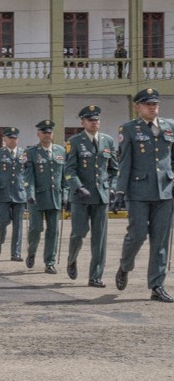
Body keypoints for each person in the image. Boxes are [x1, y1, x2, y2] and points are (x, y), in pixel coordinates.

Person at [113, 88, 174, 302]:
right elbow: (125, 162)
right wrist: (120, 191)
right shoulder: (129, 129)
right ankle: (124, 266)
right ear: (137, 106)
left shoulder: (170, 127)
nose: (152, 107)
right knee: (137, 235)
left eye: (155, 103)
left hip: (165, 192)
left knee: (161, 242)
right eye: (147, 103)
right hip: (138, 192)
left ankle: (156, 285)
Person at [64, 105, 118, 287]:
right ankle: (72, 259)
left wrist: (111, 187)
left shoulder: (108, 141)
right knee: (79, 233)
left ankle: (95, 276)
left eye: (96, 119)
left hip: (101, 197)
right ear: (83, 122)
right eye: (90, 120)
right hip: (81, 197)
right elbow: (69, 170)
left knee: (99, 238)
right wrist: (78, 187)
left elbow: (114, 169)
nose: (94, 123)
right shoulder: (74, 141)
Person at [23, 120, 68, 274]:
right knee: (36, 229)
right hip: (37, 198)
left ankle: (50, 262)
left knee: (53, 231)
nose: (47, 135)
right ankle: (32, 252)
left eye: (49, 132)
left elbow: (64, 177)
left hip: (55, 197)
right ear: (38, 134)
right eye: (44, 132)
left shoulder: (60, 151)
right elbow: (28, 177)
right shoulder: (31, 152)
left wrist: (66, 194)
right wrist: (30, 194)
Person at [0, 127, 27, 261]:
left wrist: (28, 192)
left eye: (15, 138)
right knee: (3, 221)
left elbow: (27, 175)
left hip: (19, 193)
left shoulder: (24, 154)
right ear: (4, 139)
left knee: (18, 225)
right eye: (10, 138)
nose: (13, 140)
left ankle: (15, 252)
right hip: (3, 193)